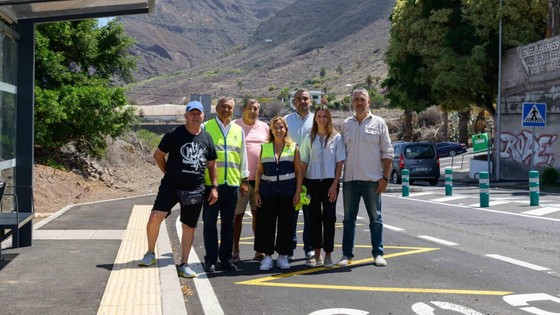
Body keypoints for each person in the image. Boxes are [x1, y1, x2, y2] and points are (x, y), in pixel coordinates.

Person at [138, 101, 218, 279]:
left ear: (203, 116)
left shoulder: (207, 138)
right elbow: (158, 156)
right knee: (155, 217)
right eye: (192, 113)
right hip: (171, 186)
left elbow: (212, 165)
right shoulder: (174, 134)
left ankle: (183, 264)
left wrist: (214, 187)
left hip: (195, 188)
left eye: (199, 113)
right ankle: (150, 253)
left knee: (188, 226)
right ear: (186, 115)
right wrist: (168, 172)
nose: (195, 116)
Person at [337, 88, 394, 267]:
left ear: (369, 102)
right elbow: (340, 153)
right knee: (348, 220)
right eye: (356, 99)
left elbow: (388, 152)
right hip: (350, 181)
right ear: (352, 102)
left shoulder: (379, 123)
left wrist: (385, 178)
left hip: (372, 181)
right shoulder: (346, 124)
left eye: (362, 99)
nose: (359, 102)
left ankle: (378, 253)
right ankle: (347, 255)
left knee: (375, 218)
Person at [202, 96, 249, 272]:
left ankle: (226, 258)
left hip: (232, 184)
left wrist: (244, 180)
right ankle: (210, 259)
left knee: (228, 223)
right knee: (209, 222)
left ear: (233, 109)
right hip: (211, 185)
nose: (226, 110)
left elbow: (242, 157)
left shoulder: (238, 130)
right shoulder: (206, 127)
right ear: (216, 108)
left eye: (229, 107)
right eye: (223, 106)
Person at [254, 116, 303, 270]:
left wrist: (297, 192)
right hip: (267, 192)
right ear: (271, 130)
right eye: (275, 127)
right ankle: (267, 257)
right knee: (266, 224)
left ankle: (283, 257)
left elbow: (298, 171)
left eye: (281, 127)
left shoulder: (293, 147)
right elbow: (259, 172)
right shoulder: (265, 147)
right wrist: (256, 192)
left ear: (286, 129)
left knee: (286, 224)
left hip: (287, 192)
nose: (279, 130)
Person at [300, 105, 345, 268]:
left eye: (325, 116)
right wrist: (299, 187)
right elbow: (303, 163)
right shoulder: (308, 138)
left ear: (329, 118)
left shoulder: (337, 138)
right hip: (311, 182)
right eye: (319, 116)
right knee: (313, 219)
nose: (321, 119)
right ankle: (316, 255)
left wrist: (334, 184)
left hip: (329, 183)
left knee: (329, 218)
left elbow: (340, 163)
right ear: (315, 119)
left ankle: (328, 255)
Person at [232, 99, 270, 262]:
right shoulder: (235, 125)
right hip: (241, 179)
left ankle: (259, 250)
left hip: (260, 180)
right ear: (243, 110)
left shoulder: (264, 127)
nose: (253, 111)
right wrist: (242, 180)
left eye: (256, 109)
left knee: (258, 216)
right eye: (250, 108)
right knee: (237, 216)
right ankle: (235, 250)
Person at [284, 89, 314, 260]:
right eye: (299, 99)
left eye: (305, 99)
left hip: (311, 176)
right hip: (291, 175)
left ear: (310, 101)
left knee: (310, 214)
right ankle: (289, 249)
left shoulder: (317, 120)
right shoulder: (287, 121)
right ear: (293, 102)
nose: (302, 102)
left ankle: (309, 248)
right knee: (291, 215)